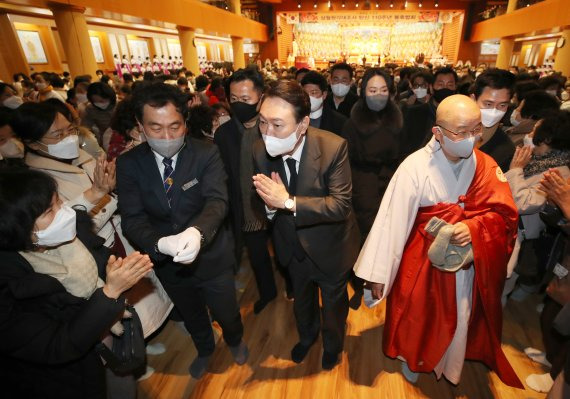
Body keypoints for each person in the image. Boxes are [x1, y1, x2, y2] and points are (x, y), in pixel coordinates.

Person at [354, 95, 522, 388]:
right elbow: (391, 224)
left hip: (465, 260)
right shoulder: (414, 167)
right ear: (438, 132)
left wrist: (473, 228)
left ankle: (449, 361)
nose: (471, 139)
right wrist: (378, 275)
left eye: (475, 130)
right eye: (461, 132)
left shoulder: (486, 165)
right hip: (422, 259)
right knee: (418, 315)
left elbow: (504, 214)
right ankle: (413, 358)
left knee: (460, 315)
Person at [116, 82, 247, 380]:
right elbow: (132, 218)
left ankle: (236, 339)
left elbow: (217, 200)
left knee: (226, 310)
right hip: (167, 263)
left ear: (185, 123)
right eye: (156, 128)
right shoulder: (129, 164)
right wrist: (160, 243)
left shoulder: (206, 153)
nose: (167, 136)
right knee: (191, 313)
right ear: (140, 126)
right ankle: (205, 349)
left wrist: (196, 233)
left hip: (211, 256)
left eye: (174, 127)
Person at [0, 168, 153, 399]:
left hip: (109, 341)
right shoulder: (10, 286)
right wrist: (109, 293)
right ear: (20, 228)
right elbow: (56, 346)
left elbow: (101, 268)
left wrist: (117, 275)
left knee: (123, 386)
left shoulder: (70, 235)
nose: (64, 211)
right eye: (50, 210)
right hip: (69, 377)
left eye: (58, 201)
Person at [252, 79, 360, 370]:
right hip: (291, 246)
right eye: (262, 123)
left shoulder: (333, 147)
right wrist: (269, 207)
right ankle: (307, 336)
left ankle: (332, 346)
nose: (267, 133)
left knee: (334, 306)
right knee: (302, 301)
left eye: (278, 125)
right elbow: (259, 201)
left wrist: (287, 202)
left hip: (330, 246)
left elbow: (340, 204)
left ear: (303, 124)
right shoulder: (259, 151)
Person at [214, 67, 279, 312]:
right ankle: (268, 292)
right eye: (233, 99)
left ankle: (293, 288)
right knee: (257, 254)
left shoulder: (274, 127)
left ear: (261, 98)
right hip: (246, 207)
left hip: (278, 203)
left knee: (285, 252)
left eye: (245, 99)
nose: (238, 104)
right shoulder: (224, 133)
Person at [399, 67, 458, 159]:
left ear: (455, 88)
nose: (445, 88)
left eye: (450, 85)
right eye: (440, 84)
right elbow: (403, 147)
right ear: (431, 87)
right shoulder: (413, 113)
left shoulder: (460, 117)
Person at [472, 69, 516, 172]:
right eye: (488, 104)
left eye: (502, 105)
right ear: (474, 99)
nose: (494, 111)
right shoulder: (451, 128)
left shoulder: (506, 151)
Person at [300, 71, 347, 138]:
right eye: (305, 93)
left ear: (324, 95)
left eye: (313, 93)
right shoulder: (296, 118)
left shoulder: (340, 122)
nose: (308, 97)